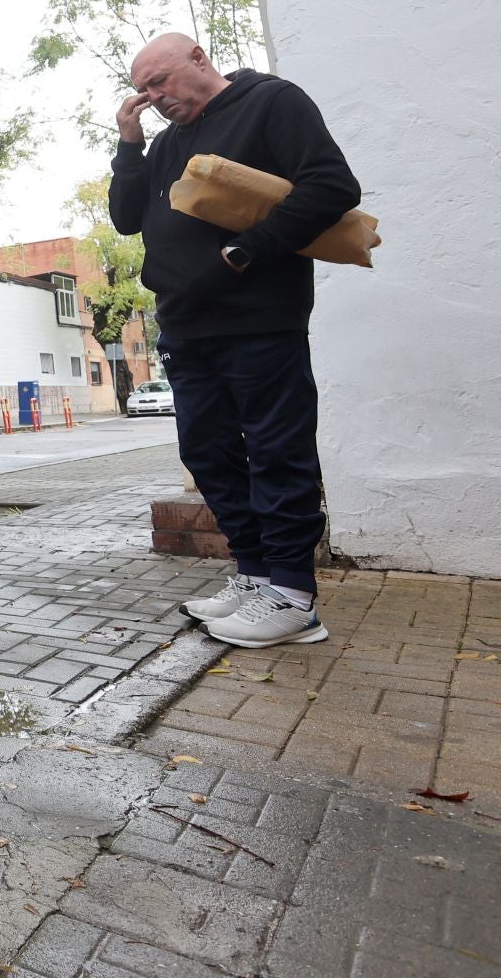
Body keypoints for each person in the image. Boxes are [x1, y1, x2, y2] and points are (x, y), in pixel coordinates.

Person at [108, 33, 361, 650]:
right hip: (186, 324)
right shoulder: (165, 143)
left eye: (159, 82)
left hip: (259, 317)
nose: (154, 97)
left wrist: (245, 252)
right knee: (209, 453)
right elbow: (125, 217)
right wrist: (129, 144)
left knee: (276, 450)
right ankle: (254, 576)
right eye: (144, 90)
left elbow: (332, 188)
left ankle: (295, 597)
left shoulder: (271, 103)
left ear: (199, 59)